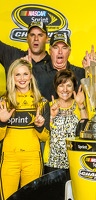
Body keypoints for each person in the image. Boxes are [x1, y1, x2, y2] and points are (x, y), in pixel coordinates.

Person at [0, 59, 50, 199]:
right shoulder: (3, 101)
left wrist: (39, 126)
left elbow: (45, 137)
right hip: (9, 159)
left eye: (25, 74)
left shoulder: (41, 102)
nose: (22, 78)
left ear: (30, 76)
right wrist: (2, 122)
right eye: (17, 75)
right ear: (12, 77)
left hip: (33, 159)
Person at [43, 69, 88, 179]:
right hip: (52, 162)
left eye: (69, 85)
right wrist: (52, 116)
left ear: (74, 87)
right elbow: (43, 134)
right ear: (56, 87)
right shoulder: (48, 105)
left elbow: (86, 128)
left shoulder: (79, 104)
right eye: (61, 85)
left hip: (75, 160)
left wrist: (81, 104)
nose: (65, 89)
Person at [35, 31, 85, 101]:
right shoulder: (37, 72)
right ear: (50, 51)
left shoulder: (81, 73)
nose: (60, 52)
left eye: (64, 48)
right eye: (56, 48)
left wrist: (91, 71)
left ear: (69, 52)